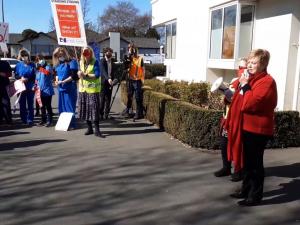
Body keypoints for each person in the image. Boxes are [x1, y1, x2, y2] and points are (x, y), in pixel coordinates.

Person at [226, 49, 277, 206]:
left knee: (255, 164)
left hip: (258, 130)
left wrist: (246, 86)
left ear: (263, 64)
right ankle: (245, 190)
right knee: (247, 162)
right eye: (249, 62)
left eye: (254, 63)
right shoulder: (251, 79)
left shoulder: (267, 82)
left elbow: (250, 103)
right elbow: (239, 100)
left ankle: (255, 196)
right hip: (247, 127)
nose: (249, 65)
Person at [214, 58, 247, 182]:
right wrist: (225, 93)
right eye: (239, 67)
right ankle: (226, 167)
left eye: (243, 67)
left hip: (238, 120)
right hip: (227, 118)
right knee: (224, 143)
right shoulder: (234, 81)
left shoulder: (246, 82)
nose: (241, 70)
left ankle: (239, 170)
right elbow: (229, 99)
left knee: (238, 146)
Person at [77, 46, 104, 137]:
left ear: (91, 53)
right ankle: (89, 128)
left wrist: (85, 75)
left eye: (88, 53)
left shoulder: (95, 61)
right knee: (85, 109)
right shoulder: (80, 62)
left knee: (94, 110)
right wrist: (79, 74)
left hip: (92, 90)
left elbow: (97, 75)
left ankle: (97, 130)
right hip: (83, 89)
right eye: (84, 53)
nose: (86, 55)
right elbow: (79, 74)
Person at [53, 47, 78, 129]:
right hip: (61, 88)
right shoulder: (58, 63)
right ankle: (64, 124)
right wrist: (56, 81)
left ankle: (71, 124)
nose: (59, 56)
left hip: (70, 88)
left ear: (65, 53)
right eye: (57, 55)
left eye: (61, 54)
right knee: (62, 107)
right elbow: (56, 74)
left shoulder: (72, 62)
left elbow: (74, 76)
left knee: (69, 106)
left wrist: (64, 81)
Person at [123, 43, 145, 120]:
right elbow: (125, 66)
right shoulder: (128, 58)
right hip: (130, 80)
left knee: (138, 97)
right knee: (129, 96)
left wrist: (142, 80)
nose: (131, 50)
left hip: (138, 80)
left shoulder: (140, 58)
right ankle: (128, 111)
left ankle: (139, 113)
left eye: (132, 48)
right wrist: (129, 56)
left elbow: (142, 70)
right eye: (129, 48)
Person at [15, 49, 36, 126]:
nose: (24, 58)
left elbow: (34, 76)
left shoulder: (32, 65)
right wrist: (20, 78)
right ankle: (23, 119)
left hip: (30, 86)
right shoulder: (18, 65)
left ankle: (30, 119)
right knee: (22, 103)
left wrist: (28, 79)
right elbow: (16, 75)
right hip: (21, 86)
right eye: (23, 56)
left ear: (28, 56)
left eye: (25, 56)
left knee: (30, 103)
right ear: (21, 57)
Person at [35, 54, 54, 127]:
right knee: (41, 106)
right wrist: (35, 86)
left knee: (48, 106)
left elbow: (48, 73)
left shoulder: (47, 66)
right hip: (40, 91)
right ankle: (43, 120)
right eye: (38, 59)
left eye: (40, 59)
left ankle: (50, 121)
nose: (39, 60)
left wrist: (41, 68)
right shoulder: (38, 70)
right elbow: (36, 80)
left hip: (47, 90)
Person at [99, 47, 116, 120]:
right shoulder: (102, 61)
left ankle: (106, 114)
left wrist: (114, 79)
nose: (109, 54)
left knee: (108, 99)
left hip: (110, 83)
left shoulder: (112, 61)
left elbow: (113, 72)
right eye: (108, 52)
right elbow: (103, 71)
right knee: (102, 99)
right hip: (103, 82)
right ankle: (100, 114)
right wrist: (108, 78)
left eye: (111, 52)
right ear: (105, 53)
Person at [0, 60, 13, 124]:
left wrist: (3, 74)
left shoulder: (5, 63)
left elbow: (10, 74)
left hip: (4, 87)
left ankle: (8, 120)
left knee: (6, 104)